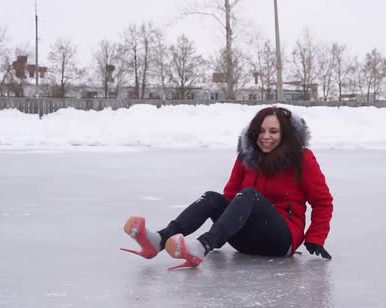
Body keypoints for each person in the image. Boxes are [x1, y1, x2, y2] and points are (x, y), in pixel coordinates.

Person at [121, 106, 334, 270]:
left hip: (280, 241)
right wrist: (225, 220)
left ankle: (203, 246)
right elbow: (231, 196)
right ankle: (159, 240)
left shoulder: (301, 158)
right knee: (213, 198)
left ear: (285, 133)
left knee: (250, 195)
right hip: (245, 241)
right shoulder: (247, 157)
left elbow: (322, 201)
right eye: (261, 131)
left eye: (273, 131)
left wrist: (315, 237)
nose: (265, 136)